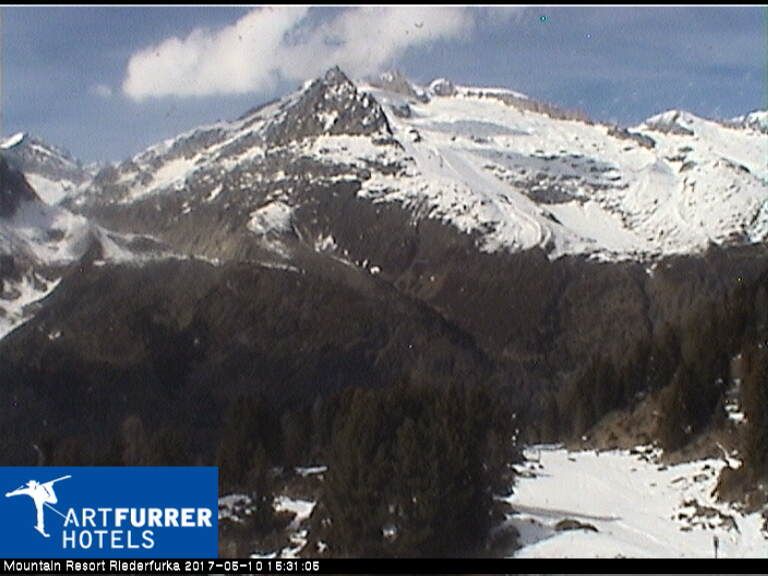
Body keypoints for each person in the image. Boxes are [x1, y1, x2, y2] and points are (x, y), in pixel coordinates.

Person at [5, 476, 70, 537]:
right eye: (30, 485)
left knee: (55, 500)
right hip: (38, 500)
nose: (32, 486)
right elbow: (19, 492)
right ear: (29, 485)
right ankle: (40, 527)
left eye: (33, 485)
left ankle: (49, 487)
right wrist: (10, 494)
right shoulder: (28, 490)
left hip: (45, 497)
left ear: (35, 484)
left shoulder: (41, 486)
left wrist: (49, 485)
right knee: (40, 512)